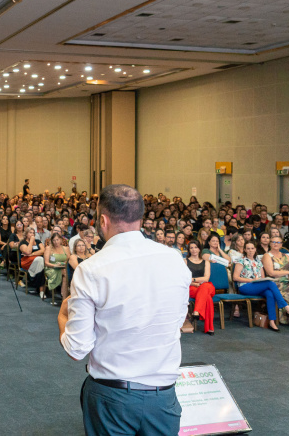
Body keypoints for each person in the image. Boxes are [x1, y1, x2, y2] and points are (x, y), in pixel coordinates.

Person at [59, 185, 190, 436]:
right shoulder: (174, 259)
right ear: (140, 217)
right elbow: (178, 320)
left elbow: (76, 349)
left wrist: (62, 316)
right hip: (163, 396)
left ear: (103, 220)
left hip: (113, 395)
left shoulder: (91, 269)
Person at [234, 242, 289, 331]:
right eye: (248, 248)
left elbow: (262, 278)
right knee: (270, 283)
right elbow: (235, 277)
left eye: (252, 248)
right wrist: (251, 280)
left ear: (255, 249)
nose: (250, 250)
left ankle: (272, 321)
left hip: (257, 286)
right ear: (245, 250)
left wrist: (259, 280)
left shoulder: (258, 261)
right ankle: (285, 306)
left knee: (269, 293)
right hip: (245, 286)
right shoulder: (241, 261)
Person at [186, 241, 216, 335]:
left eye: (196, 247)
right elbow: (183, 279)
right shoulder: (185, 261)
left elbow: (206, 278)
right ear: (189, 250)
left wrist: (193, 279)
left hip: (205, 285)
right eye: (191, 248)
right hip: (191, 287)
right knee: (207, 298)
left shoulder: (206, 262)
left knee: (205, 286)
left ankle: (196, 310)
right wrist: (194, 283)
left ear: (199, 249)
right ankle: (210, 328)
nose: (194, 250)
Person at [43, 232, 68, 305]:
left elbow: (68, 260)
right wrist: (55, 265)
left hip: (63, 267)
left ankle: (63, 295)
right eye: (54, 240)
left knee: (65, 273)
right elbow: (46, 263)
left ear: (61, 240)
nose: (56, 242)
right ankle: (64, 297)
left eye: (57, 240)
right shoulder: (48, 248)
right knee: (65, 273)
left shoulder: (66, 248)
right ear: (52, 241)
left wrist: (63, 264)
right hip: (51, 268)